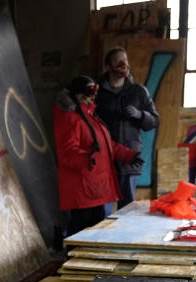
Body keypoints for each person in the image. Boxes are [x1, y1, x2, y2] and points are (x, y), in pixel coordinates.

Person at [53, 75, 139, 237]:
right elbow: (67, 152)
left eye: (95, 90)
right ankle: (72, 258)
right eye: (89, 91)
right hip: (83, 187)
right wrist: (86, 159)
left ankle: (86, 259)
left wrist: (128, 155)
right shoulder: (70, 118)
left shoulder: (90, 116)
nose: (93, 95)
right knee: (80, 228)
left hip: (95, 185)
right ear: (77, 94)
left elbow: (106, 145)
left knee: (95, 229)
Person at [95, 47, 159, 212]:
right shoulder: (96, 93)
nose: (123, 64)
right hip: (103, 158)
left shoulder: (138, 92)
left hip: (128, 159)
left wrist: (139, 115)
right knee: (102, 208)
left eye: (125, 60)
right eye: (118, 60)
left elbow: (154, 121)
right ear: (108, 67)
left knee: (128, 208)